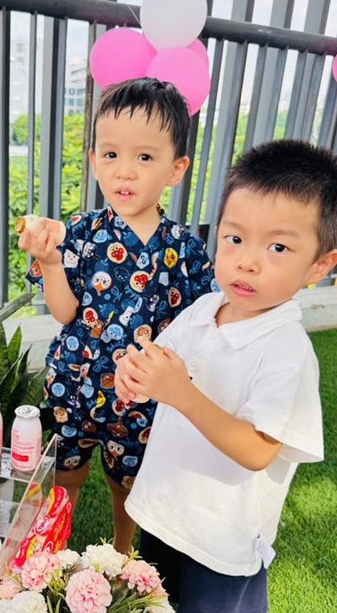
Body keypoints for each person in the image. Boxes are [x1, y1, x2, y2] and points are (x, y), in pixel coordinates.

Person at [115, 139, 337, 613]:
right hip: (168, 504)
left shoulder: (286, 351)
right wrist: (136, 375)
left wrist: (181, 392)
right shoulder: (204, 309)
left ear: (320, 264)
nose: (248, 261)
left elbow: (256, 450)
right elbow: (161, 361)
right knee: (166, 603)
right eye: (234, 238)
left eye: (278, 247)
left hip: (221, 529)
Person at [19, 77, 215, 554]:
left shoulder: (186, 249)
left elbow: (200, 329)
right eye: (110, 155)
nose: (124, 171)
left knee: (127, 483)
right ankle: (52, 555)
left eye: (144, 157)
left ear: (176, 168)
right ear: (93, 161)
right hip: (75, 381)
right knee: (65, 474)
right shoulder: (80, 232)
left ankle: (122, 555)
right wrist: (50, 262)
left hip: (141, 396)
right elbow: (65, 313)